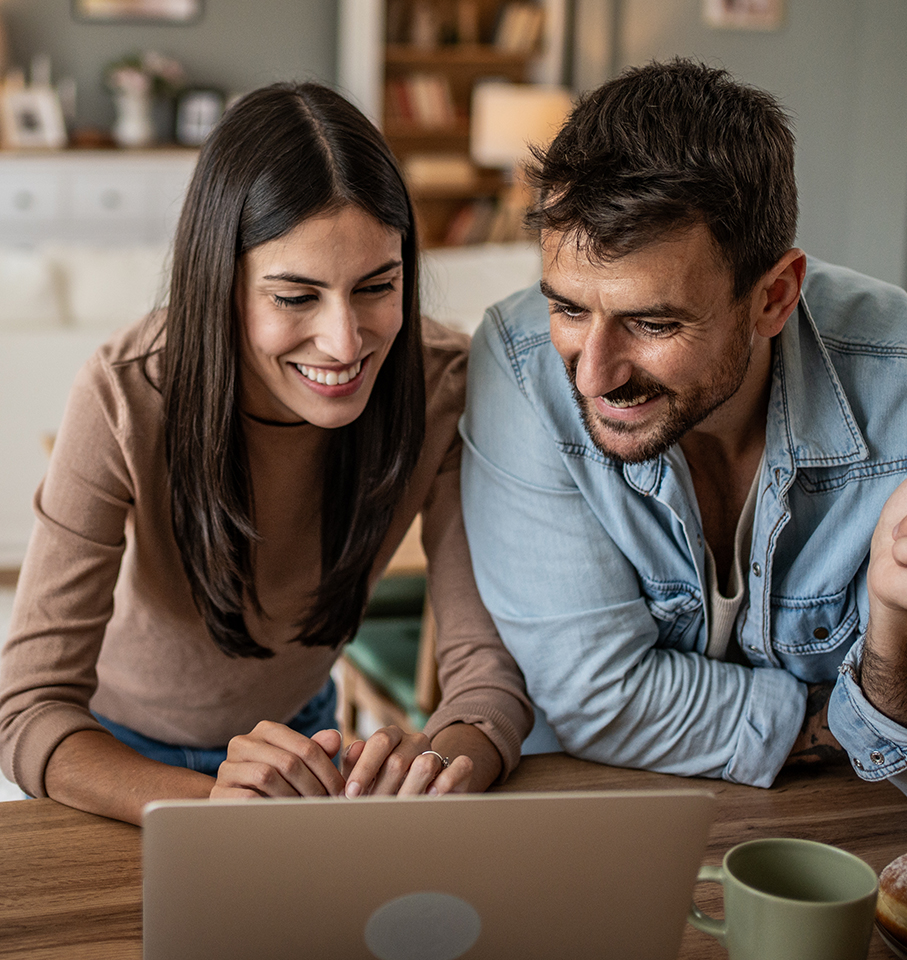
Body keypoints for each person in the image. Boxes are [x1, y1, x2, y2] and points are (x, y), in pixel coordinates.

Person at [0, 82, 532, 825]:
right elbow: (29, 708)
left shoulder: (441, 385)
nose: (345, 343)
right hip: (117, 761)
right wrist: (219, 807)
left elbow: (485, 676)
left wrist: (438, 768)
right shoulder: (126, 391)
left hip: (301, 742)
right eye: (295, 297)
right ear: (220, 285)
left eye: (377, 286)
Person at [460, 58, 907, 816]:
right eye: (568, 309)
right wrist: (848, 721)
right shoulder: (519, 361)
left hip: (848, 832)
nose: (592, 376)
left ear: (773, 297)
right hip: (590, 820)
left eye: (652, 323)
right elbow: (596, 699)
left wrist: (904, 631)